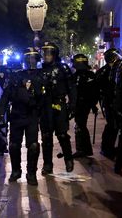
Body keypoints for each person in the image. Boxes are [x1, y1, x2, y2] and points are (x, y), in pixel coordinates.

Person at [0, 47, 43, 185]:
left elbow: (46, 97)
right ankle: (16, 171)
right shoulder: (15, 76)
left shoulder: (41, 76)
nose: (31, 61)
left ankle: (31, 173)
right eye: (28, 58)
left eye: (33, 58)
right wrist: (0, 114)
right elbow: (5, 96)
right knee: (14, 145)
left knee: (33, 146)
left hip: (32, 115)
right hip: (17, 114)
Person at [39, 41, 74, 174]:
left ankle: (68, 159)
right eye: (44, 53)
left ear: (54, 54)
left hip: (59, 104)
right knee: (46, 137)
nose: (46, 56)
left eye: (49, 53)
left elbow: (72, 88)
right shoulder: (41, 69)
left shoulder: (63, 68)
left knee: (62, 135)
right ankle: (48, 165)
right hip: (45, 107)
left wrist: (72, 105)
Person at [69, 54, 99, 158]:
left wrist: (93, 105)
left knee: (80, 126)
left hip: (82, 105)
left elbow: (94, 92)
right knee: (80, 126)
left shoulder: (83, 76)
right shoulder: (82, 76)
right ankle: (84, 149)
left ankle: (83, 149)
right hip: (81, 105)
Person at [96, 48, 122, 160]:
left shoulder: (114, 68)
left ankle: (108, 148)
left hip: (112, 101)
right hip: (110, 101)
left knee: (113, 126)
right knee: (112, 126)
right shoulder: (107, 70)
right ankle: (107, 149)